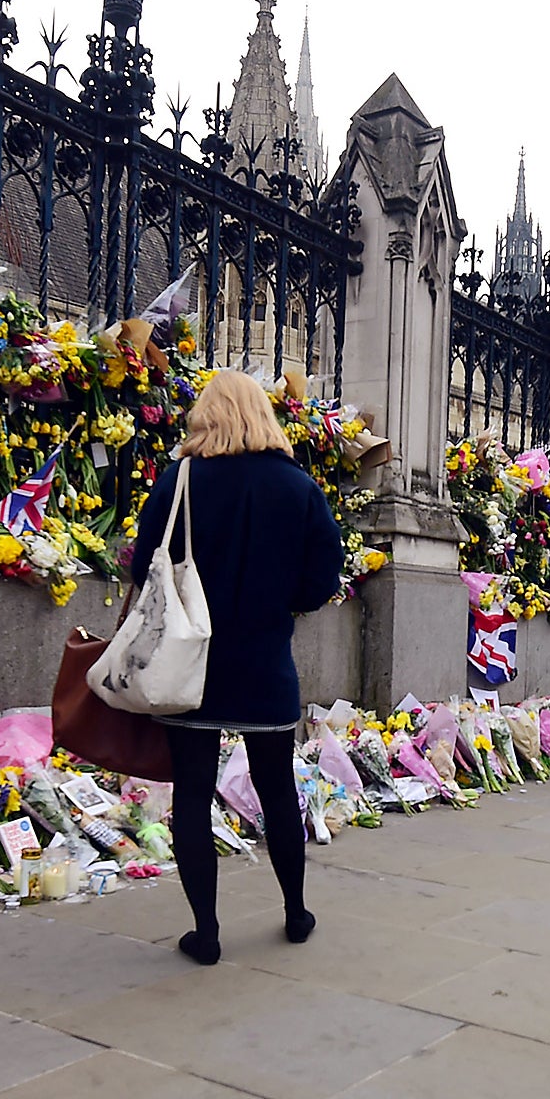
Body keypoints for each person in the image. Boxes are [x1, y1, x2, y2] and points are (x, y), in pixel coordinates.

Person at [127, 369, 344, 965]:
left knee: (193, 794)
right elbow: (324, 577)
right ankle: (295, 912)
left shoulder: (181, 479)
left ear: (207, 415)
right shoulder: (297, 487)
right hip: (265, 662)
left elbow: (142, 562)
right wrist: (281, 602)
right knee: (277, 790)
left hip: (188, 664)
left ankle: (207, 932)